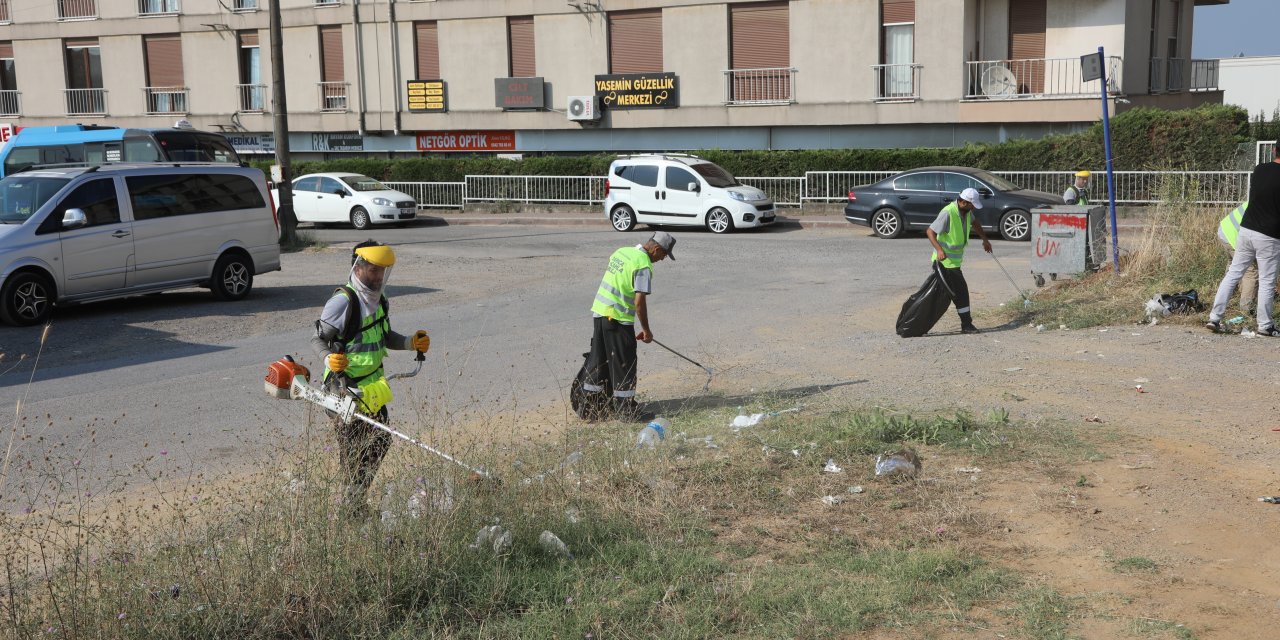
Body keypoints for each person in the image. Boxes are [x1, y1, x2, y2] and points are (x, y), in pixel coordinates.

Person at [310, 240, 431, 517]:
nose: (378, 277)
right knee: (354, 450)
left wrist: (411, 343)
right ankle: (352, 509)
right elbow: (317, 339)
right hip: (344, 389)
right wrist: (329, 358)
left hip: (372, 388)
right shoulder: (343, 302)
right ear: (358, 266)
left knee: (380, 441)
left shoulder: (379, 301)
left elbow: (385, 336)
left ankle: (355, 502)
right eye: (374, 270)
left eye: (382, 271)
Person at [583, 231, 675, 419]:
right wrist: (647, 331)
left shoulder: (622, 252)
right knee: (625, 363)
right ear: (656, 249)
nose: (662, 259)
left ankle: (591, 408)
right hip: (617, 319)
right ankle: (626, 412)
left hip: (600, 313)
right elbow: (639, 302)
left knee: (599, 361)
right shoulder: (643, 265)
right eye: (664, 255)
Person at [1207, 142, 1280, 335]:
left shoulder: (1259, 170)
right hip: (1269, 235)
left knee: (1233, 273)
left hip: (1246, 229)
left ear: (1274, 150)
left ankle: (1214, 318)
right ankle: (1264, 325)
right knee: (1266, 281)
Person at [927, 187, 993, 334]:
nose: (973, 208)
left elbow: (975, 224)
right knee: (961, 293)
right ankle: (966, 324)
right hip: (944, 264)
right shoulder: (948, 213)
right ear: (963, 202)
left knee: (941, 295)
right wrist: (939, 250)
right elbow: (930, 231)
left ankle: (923, 322)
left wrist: (985, 240)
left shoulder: (966, 212)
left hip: (954, 263)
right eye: (972, 205)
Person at [1217, 201, 1257, 315]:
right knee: (1250, 271)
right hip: (1235, 235)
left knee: (1232, 268)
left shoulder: (1262, 194)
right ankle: (1246, 311)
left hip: (1224, 229)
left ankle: (1224, 300)